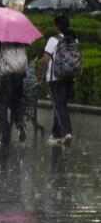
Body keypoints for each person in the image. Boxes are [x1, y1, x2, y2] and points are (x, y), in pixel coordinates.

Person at [36, 15, 79, 146]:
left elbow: (45, 60)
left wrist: (40, 75)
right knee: (60, 105)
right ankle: (56, 134)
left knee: (59, 105)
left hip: (55, 78)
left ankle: (67, 132)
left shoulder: (53, 40)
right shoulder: (74, 39)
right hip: (70, 77)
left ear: (57, 26)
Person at [0, 40, 28, 146]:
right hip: (19, 77)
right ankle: (20, 122)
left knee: (2, 107)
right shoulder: (20, 40)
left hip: (4, 76)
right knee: (16, 103)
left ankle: (5, 137)